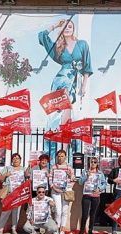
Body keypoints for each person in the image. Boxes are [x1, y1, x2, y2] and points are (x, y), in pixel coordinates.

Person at [39, 19, 93, 158]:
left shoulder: (82, 44)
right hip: (59, 81)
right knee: (59, 114)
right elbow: (42, 36)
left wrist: (84, 86)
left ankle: (62, 151)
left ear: (73, 28)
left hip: (73, 81)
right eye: (64, 27)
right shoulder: (58, 46)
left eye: (70, 26)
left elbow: (87, 66)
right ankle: (60, 149)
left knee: (68, 111)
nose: (67, 28)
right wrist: (55, 25)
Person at [76, 156, 107, 234]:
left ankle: (90, 231)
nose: (93, 163)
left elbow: (104, 183)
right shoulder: (85, 172)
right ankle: (81, 231)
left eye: (94, 162)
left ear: (97, 164)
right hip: (86, 195)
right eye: (91, 162)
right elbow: (80, 182)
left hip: (96, 196)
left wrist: (99, 188)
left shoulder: (100, 173)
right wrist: (86, 176)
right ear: (89, 163)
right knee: (85, 214)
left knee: (93, 214)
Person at [0, 153, 26, 234]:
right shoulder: (7, 168)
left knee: (16, 213)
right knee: (5, 212)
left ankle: (14, 228)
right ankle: (0, 229)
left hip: (18, 194)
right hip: (9, 193)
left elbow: (28, 178)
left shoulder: (23, 169)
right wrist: (5, 175)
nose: (15, 160)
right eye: (14, 158)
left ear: (20, 160)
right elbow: (0, 179)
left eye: (17, 158)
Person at [50, 149, 75, 234]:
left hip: (65, 192)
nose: (60, 158)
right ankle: (56, 230)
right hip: (55, 191)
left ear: (65, 157)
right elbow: (50, 178)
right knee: (58, 211)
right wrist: (54, 187)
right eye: (59, 156)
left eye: (62, 156)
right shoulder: (53, 167)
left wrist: (68, 186)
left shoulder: (69, 167)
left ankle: (62, 230)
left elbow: (73, 179)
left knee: (64, 211)